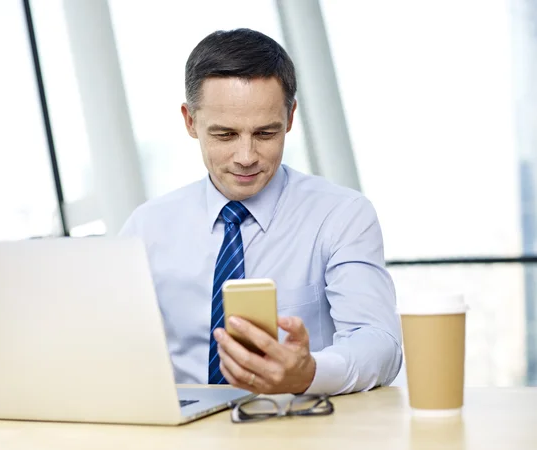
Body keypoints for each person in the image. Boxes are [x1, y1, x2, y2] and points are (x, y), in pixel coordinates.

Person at [120, 28, 402, 395]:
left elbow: (379, 343)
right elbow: (111, 341)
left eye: (266, 134)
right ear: (190, 121)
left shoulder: (342, 216)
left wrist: (311, 372)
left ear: (290, 117)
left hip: (299, 425)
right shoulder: (148, 227)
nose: (246, 156)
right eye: (225, 135)